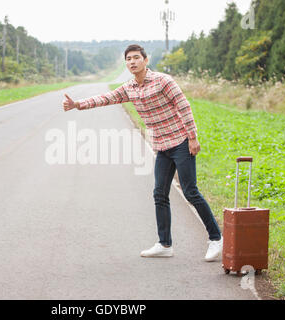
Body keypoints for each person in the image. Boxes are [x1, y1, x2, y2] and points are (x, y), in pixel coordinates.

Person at [62, 44, 222, 261]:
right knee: (159, 194)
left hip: (181, 142)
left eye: (136, 57)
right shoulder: (129, 88)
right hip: (161, 146)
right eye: (128, 59)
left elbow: (184, 106)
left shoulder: (163, 81)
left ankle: (216, 238)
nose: (132, 62)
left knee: (190, 191)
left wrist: (192, 137)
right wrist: (77, 104)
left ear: (146, 60)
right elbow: (106, 98)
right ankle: (165, 244)